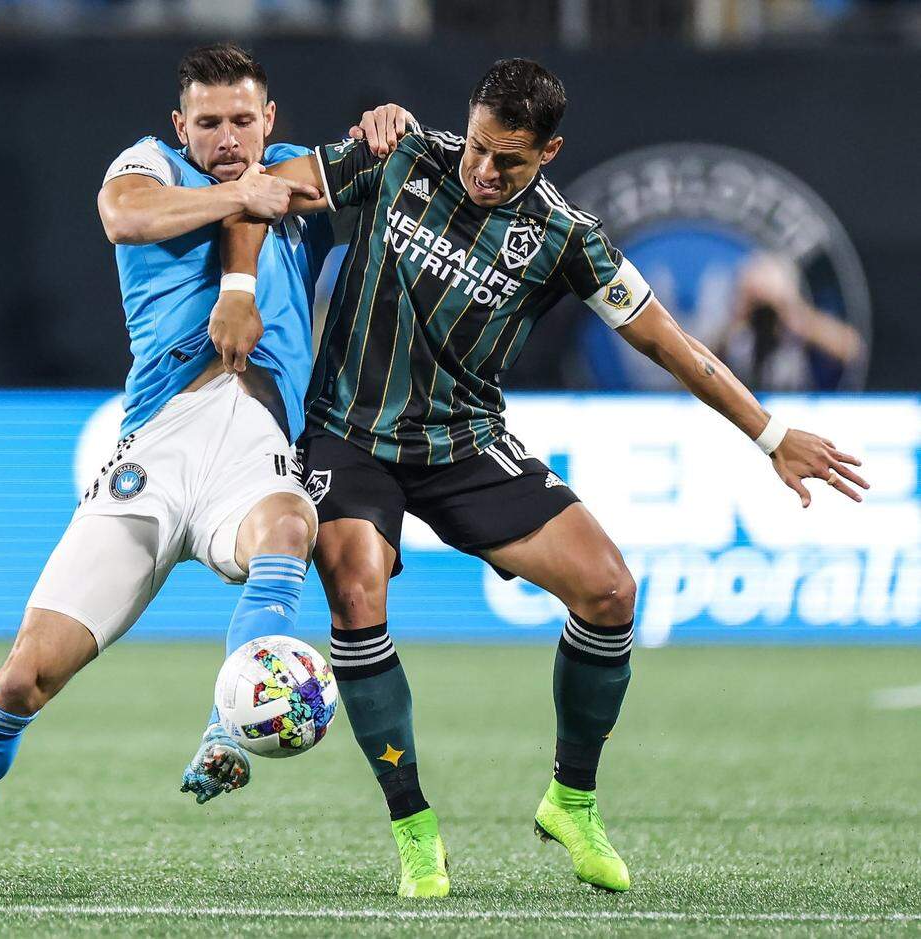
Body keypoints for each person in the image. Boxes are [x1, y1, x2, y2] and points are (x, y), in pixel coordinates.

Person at [217, 57, 870, 898]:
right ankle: (415, 831)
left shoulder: (566, 237)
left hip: (465, 443)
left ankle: (572, 800)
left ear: (549, 152)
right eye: (479, 147)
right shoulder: (398, 155)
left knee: (610, 591)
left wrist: (771, 433)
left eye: (510, 160)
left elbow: (673, 344)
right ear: (467, 122)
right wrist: (239, 286)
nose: (485, 171)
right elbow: (261, 193)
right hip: (349, 435)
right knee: (356, 590)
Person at [0, 42, 408, 888]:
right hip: (154, 452)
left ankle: (229, 720)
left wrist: (389, 127)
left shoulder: (291, 168)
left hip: (256, 440)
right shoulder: (148, 164)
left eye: (242, 120)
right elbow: (125, 216)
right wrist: (240, 196)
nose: (226, 138)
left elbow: (378, 168)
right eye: (208, 122)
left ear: (269, 119)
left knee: (291, 524)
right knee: (25, 677)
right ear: (181, 124)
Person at [716, 252, 865, 391]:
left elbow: (853, 350)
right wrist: (740, 313)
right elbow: (704, 365)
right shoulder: (735, 330)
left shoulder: (799, 324)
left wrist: (789, 309)